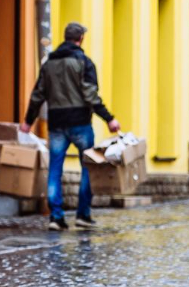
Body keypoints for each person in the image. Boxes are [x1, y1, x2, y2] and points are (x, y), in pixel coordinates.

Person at [20, 22, 120, 231]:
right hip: (80, 123)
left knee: (55, 168)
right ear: (81, 38)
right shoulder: (84, 62)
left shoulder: (49, 64)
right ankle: (83, 215)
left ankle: (56, 217)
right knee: (89, 168)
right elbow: (90, 95)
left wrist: (28, 122)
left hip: (56, 123)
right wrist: (108, 118)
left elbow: (38, 94)